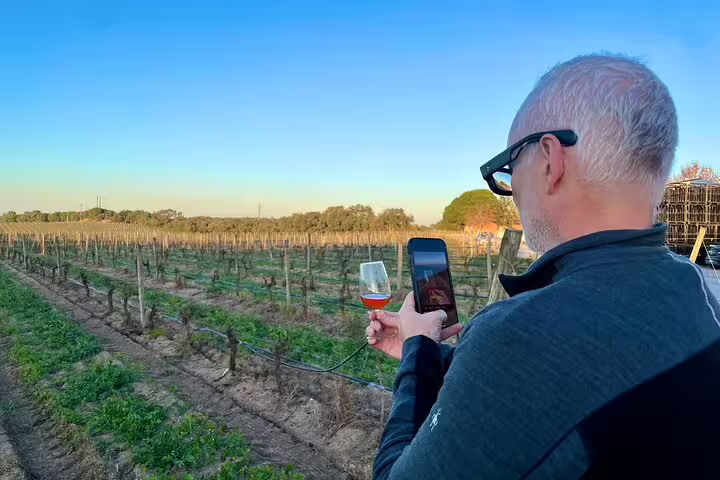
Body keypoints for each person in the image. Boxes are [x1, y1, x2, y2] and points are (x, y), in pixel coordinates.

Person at [367, 54, 720, 479]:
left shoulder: (516, 334)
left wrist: (418, 357)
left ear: (550, 161)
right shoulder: (698, 290)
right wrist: (424, 354)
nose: (511, 189)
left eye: (510, 166)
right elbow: (577, 389)